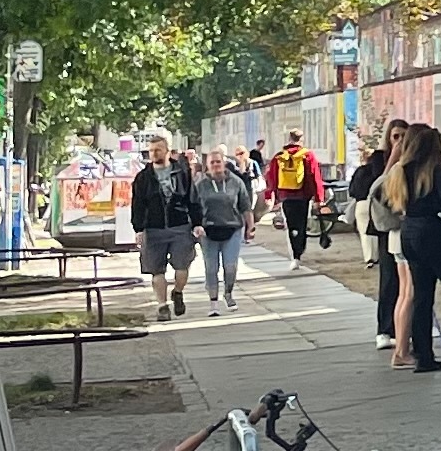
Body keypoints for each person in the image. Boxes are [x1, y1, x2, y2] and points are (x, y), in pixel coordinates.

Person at [389, 123, 441, 374]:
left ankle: (423, 355)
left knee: (421, 296)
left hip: (408, 231)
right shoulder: (434, 169)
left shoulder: (401, 170)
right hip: (432, 231)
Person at [129, 135, 198, 322]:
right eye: (151, 150)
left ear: (167, 151)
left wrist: (197, 223)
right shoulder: (143, 177)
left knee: (182, 266)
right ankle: (162, 306)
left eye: (158, 150)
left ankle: (178, 292)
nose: (154, 153)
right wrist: (138, 229)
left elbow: (192, 199)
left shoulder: (181, 172)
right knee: (156, 270)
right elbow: (138, 204)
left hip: (180, 225)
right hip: (154, 228)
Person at [349, 119, 405, 345]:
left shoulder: (414, 160)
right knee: (389, 278)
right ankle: (385, 329)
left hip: (407, 224)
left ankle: (405, 329)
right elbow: (378, 188)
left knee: (409, 282)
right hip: (386, 225)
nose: (400, 141)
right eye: (395, 136)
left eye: (404, 136)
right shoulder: (379, 159)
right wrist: (393, 159)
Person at [192, 148, 254, 315]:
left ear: (224, 162)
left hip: (232, 228)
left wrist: (250, 226)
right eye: (212, 162)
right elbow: (193, 207)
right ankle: (213, 302)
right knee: (211, 268)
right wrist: (195, 226)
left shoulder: (236, 182)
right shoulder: (200, 184)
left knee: (230, 266)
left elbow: (245, 206)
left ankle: (228, 293)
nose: (215, 165)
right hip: (208, 231)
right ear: (207, 165)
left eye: (218, 161)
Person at [267, 127, 324, 262]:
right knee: (301, 224)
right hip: (303, 196)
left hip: (285, 196)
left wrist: (272, 196)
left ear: (289, 139)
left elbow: (271, 177)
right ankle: (299, 250)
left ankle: (295, 254)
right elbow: (315, 177)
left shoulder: (279, 156)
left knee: (291, 224)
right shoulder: (307, 155)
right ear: (301, 139)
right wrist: (319, 198)